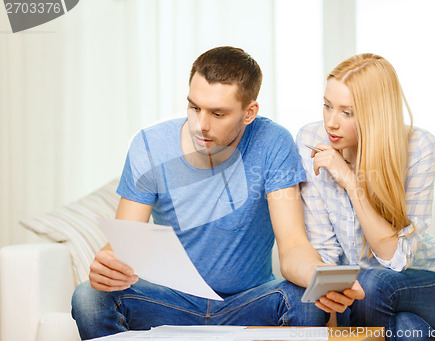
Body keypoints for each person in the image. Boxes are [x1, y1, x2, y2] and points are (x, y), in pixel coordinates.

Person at [71, 46, 364, 340]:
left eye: (218, 113)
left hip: (249, 302)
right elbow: (124, 242)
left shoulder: (273, 142)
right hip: (170, 302)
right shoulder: (149, 145)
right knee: (89, 298)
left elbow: (293, 247)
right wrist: (107, 264)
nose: (201, 125)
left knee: (308, 303)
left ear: (249, 112)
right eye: (194, 107)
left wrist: (322, 279)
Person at [296, 53, 435, 340]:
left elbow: (396, 259)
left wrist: (351, 182)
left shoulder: (419, 147)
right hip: (362, 297)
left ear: (375, 114)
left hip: (431, 285)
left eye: (346, 113)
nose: (331, 123)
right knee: (407, 329)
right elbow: (323, 251)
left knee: (373, 283)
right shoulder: (311, 140)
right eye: (327, 106)